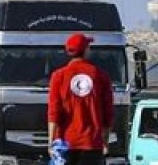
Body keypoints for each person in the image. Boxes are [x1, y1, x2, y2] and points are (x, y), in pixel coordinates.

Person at [48, 33, 114, 165]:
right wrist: (104, 140)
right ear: (85, 50)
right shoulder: (100, 76)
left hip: (65, 144)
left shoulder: (58, 76)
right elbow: (108, 113)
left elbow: (54, 112)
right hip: (92, 143)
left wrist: (51, 141)